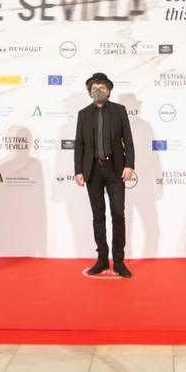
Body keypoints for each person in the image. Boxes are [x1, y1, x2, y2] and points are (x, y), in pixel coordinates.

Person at [73, 72, 135, 278]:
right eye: (94, 88)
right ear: (90, 92)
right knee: (98, 216)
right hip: (92, 171)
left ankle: (118, 261)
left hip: (115, 169)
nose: (97, 90)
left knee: (118, 214)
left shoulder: (119, 111)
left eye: (101, 87)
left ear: (108, 90)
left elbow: (128, 139)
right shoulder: (83, 114)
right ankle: (101, 260)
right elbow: (79, 145)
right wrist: (78, 170)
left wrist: (129, 165)